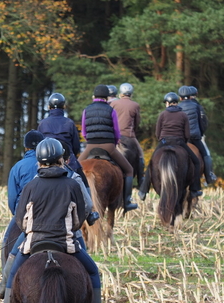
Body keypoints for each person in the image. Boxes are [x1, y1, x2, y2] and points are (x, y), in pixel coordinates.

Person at [0, 138, 111, 303]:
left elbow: (20, 219)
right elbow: (80, 217)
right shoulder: (73, 183)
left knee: (13, 276)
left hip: (34, 242)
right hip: (65, 242)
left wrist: (31, 231)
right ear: (62, 160)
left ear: (39, 162)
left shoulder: (31, 185)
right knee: (92, 272)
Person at [0, 130, 44, 299]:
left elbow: (12, 198)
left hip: (25, 214)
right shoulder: (53, 165)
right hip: (52, 216)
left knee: (7, 241)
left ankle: (4, 284)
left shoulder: (18, 167)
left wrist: (17, 216)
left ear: (25, 146)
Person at [78, 84, 138, 214]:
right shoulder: (111, 110)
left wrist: (90, 141)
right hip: (108, 146)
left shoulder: (86, 110)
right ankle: (127, 201)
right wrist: (114, 143)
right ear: (106, 97)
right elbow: (116, 131)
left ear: (94, 97)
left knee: (73, 169)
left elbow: (84, 132)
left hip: (90, 146)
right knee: (129, 170)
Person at [137, 92, 203, 200]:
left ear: (168, 103)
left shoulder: (162, 114)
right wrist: (183, 141)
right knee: (196, 161)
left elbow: (157, 133)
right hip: (179, 142)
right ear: (176, 103)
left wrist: (162, 140)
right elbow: (187, 134)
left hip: (164, 141)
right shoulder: (183, 115)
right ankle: (195, 189)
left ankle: (143, 190)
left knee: (152, 163)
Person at [38, 92, 89, 188]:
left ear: (49, 107)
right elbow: (76, 146)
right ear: (64, 106)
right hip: (67, 161)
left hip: (46, 162)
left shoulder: (42, 124)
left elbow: (39, 146)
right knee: (85, 185)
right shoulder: (69, 123)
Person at [179, 85, 217, 184]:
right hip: (195, 136)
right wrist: (200, 133)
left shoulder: (178, 107)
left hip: (182, 137)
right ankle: (209, 176)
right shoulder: (197, 106)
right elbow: (203, 122)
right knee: (205, 153)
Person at [110, 82, 145, 187]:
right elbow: (137, 123)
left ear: (120, 93)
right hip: (129, 136)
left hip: (115, 136)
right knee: (140, 156)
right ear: (131, 94)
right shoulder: (135, 105)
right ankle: (141, 180)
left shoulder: (114, 104)